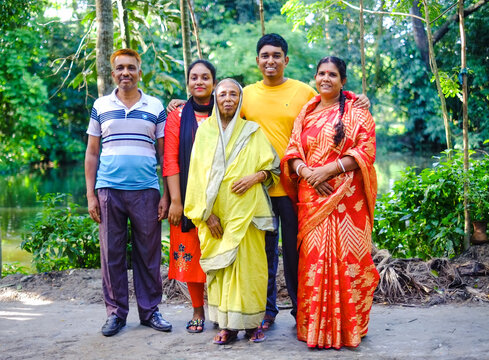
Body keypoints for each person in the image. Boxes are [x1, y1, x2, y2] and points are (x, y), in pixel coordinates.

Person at [240, 33, 370, 329]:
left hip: (296, 189)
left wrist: (361, 98)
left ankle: (304, 313)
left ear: (286, 60)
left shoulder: (302, 92)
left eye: (276, 56)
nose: (270, 60)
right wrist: (182, 103)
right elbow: (219, 111)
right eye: (265, 55)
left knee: (298, 254)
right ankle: (266, 311)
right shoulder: (245, 94)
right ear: (257, 60)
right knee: (263, 255)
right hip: (257, 189)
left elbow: (334, 100)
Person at [281, 56, 379, 349]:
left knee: (351, 262)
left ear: (343, 81)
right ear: (315, 77)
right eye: (321, 73)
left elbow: (367, 150)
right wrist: (308, 173)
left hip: (348, 203)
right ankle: (315, 329)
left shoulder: (357, 112)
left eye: (333, 74)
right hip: (312, 199)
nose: (326, 78)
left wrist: (329, 169)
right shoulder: (306, 112)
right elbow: (292, 150)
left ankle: (349, 328)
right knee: (313, 263)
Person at [184, 78, 280, 344]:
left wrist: (254, 178)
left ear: (240, 99)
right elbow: (196, 177)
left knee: (251, 270)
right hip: (216, 217)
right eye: (223, 94)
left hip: (247, 214)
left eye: (234, 94)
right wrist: (205, 214)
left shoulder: (253, 130)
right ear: (216, 98)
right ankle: (226, 326)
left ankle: (251, 326)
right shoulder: (205, 133)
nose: (228, 99)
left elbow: (273, 168)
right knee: (222, 272)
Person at [85, 48, 172, 337]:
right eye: (120, 68)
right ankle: (115, 314)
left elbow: (165, 156)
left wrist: (166, 195)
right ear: (113, 73)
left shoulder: (155, 107)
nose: (126, 73)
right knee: (111, 255)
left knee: (148, 254)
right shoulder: (101, 106)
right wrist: (90, 195)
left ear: (139, 71)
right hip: (109, 190)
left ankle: (150, 312)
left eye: (131, 68)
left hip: (146, 191)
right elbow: (92, 153)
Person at [163, 59, 217, 333]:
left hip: (222, 198)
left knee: (221, 253)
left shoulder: (227, 111)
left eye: (205, 77)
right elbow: (171, 159)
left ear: (214, 83)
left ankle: (223, 309)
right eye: (194, 77)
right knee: (192, 254)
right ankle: (198, 310)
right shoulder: (177, 115)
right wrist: (175, 201)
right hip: (186, 199)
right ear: (188, 83)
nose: (199, 82)